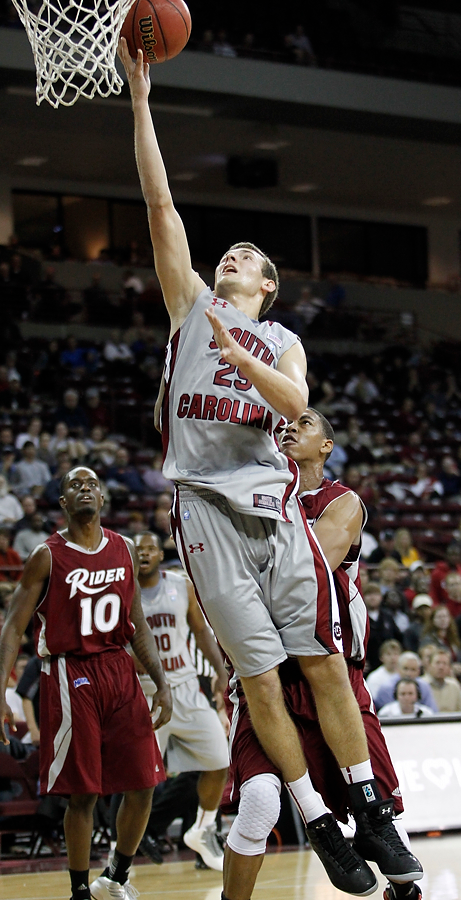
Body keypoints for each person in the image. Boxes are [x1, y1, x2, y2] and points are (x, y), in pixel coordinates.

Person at [118, 42, 419, 896]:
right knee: (256, 678)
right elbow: (159, 202)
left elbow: (292, 402)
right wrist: (141, 102)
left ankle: (369, 812)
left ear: (269, 285)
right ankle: (316, 821)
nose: (230, 257)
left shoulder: (279, 339)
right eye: (228, 254)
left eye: (247, 257)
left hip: (274, 511)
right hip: (205, 514)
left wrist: (237, 355)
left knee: (320, 662)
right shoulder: (190, 308)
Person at [222, 407, 422, 900]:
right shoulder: (252, 502)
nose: (289, 427)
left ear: (328, 446)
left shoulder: (342, 502)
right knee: (260, 801)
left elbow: (306, 572)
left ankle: (404, 891)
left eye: (305, 423)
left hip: (333, 670)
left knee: (381, 813)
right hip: (269, 673)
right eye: (284, 424)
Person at [0, 465, 172, 900]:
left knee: (145, 782)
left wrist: (161, 682)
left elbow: (137, 624)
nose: (85, 489)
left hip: (118, 668)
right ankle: (79, 889)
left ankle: (115, 875)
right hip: (69, 671)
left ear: (102, 498)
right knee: (83, 794)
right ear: (62, 502)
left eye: (92, 483)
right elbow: (13, 627)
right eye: (75, 485)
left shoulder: (126, 549)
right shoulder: (47, 555)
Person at [133, 531, 229, 870]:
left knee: (220, 759)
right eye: (137, 548)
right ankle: (122, 857)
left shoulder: (180, 585)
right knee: (141, 781)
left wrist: (219, 670)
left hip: (186, 688)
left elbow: (201, 629)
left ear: (160, 554)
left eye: (149, 548)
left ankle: (202, 830)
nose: (143, 553)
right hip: (145, 693)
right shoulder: (122, 591)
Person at [421, 648, 461, 713]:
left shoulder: (454, 686)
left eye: (444, 663)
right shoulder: (421, 684)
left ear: (449, 667)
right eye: (437, 663)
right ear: (430, 665)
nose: (441, 667)